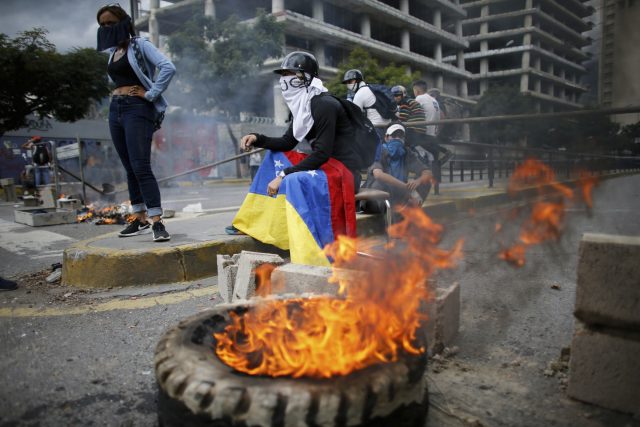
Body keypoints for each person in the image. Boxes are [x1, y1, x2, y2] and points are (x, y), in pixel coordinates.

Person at [228, 51, 360, 266]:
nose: (285, 80)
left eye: (291, 74)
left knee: (293, 180)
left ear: (306, 77)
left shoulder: (323, 104)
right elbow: (288, 142)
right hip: (326, 166)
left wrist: (283, 175)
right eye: (284, 75)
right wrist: (257, 138)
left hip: (342, 171)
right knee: (275, 155)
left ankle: (312, 253)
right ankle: (259, 223)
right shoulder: (303, 106)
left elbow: (322, 153)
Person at [96, 4, 176, 241]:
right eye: (102, 25)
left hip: (137, 108)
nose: (106, 28)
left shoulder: (140, 45)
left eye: (110, 23)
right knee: (129, 167)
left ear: (122, 23)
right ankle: (139, 218)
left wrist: (150, 94)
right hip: (116, 110)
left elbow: (167, 67)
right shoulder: (112, 53)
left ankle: (157, 222)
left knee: (141, 166)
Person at [361, 124, 432, 214]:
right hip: (378, 197)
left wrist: (418, 181)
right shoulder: (379, 151)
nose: (397, 139)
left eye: (400, 136)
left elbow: (427, 172)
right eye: (394, 136)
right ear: (386, 138)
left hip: (399, 193)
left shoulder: (407, 152)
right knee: (378, 184)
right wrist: (406, 188)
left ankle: (408, 210)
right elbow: (378, 175)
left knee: (426, 181)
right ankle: (383, 215)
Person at [342, 69, 391, 140]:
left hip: (375, 129)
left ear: (357, 80)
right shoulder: (371, 88)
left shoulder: (360, 93)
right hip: (388, 129)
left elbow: (354, 116)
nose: (348, 84)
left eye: (350, 81)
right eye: (347, 82)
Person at [412, 80, 453, 165]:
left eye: (414, 91)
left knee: (405, 134)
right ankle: (443, 152)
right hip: (433, 133)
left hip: (423, 134)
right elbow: (441, 117)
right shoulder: (434, 100)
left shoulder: (419, 98)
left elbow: (411, 113)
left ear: (417, 90)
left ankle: (421, 163)